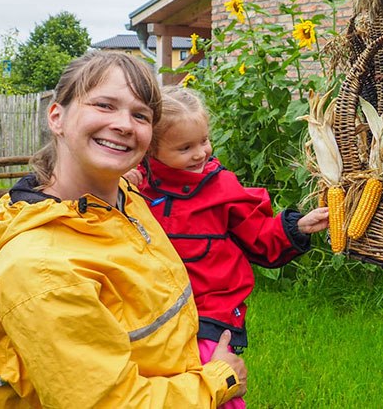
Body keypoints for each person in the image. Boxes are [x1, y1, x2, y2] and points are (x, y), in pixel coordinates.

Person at [0, 51, 247, 407]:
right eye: (104, 105)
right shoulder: (43, 270)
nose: (125, 125)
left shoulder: (126, 200)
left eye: (140, 115)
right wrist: (218, 380)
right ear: (57, 116)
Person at [127, 85, 328, 409]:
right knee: (164, 385)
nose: (200, 153)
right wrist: (121, 180)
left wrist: (297, 227)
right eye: (185, 147)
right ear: (151, 149)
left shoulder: (221, 187)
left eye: (204, 141)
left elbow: (259, 236)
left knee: (216, 382)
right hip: (155, 313)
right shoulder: (136, 188)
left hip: (212, 312)